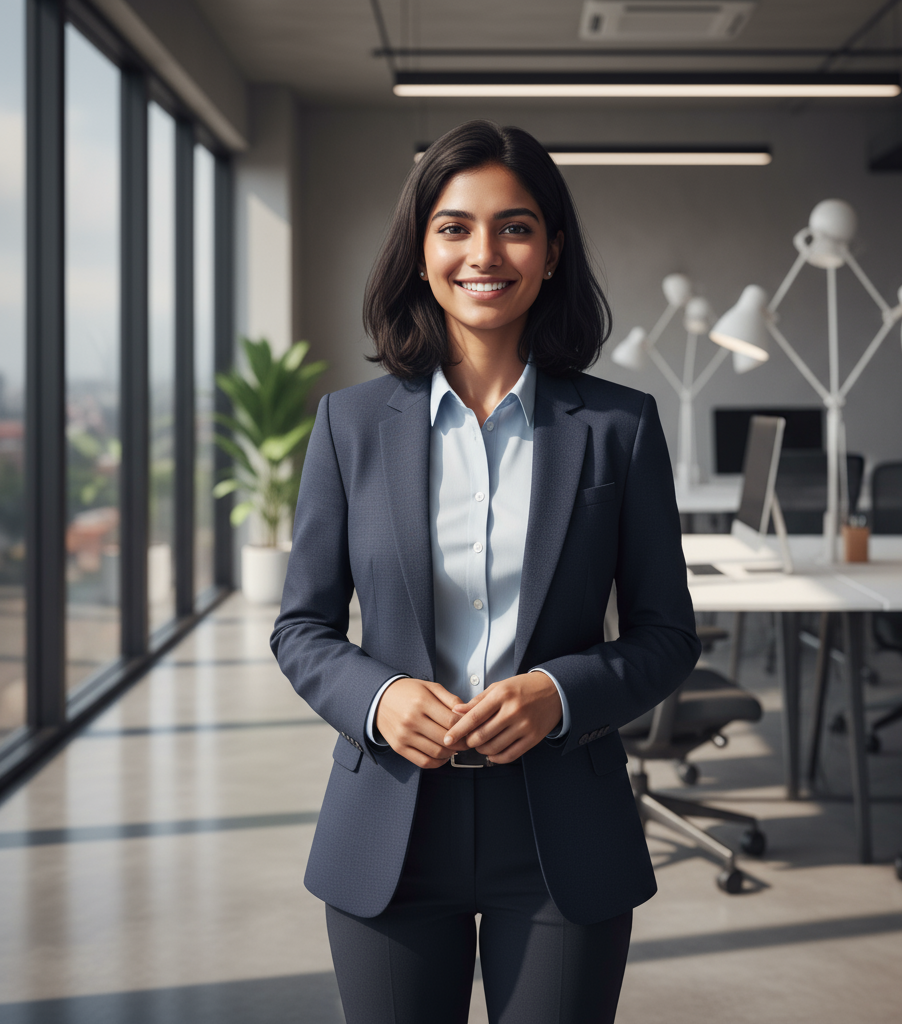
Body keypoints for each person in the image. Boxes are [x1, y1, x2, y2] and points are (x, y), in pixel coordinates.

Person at [270, 119, 700, 1024]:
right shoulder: (349, 425)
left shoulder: (619, 428)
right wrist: (380, 698)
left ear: (550, 253)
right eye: (455, 226)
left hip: (562, 832)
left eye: (515, 226)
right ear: (420, 250)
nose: (484, 252)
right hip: (391, 823)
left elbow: (667, 634)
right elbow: (300, 626)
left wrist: (560, 690)